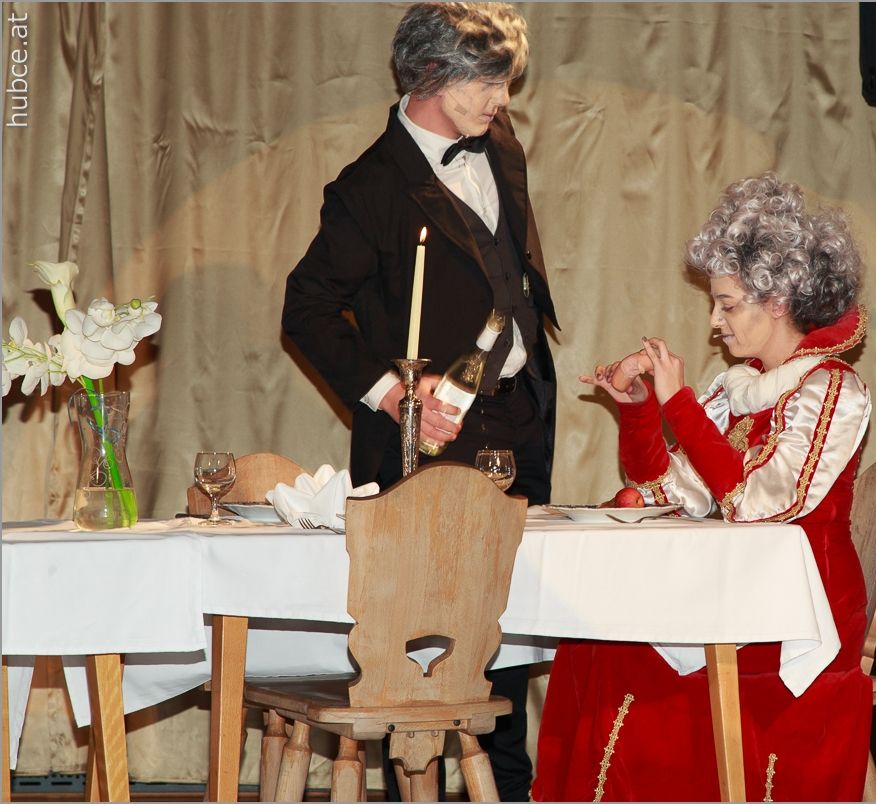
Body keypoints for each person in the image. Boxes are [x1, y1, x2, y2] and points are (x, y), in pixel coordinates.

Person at [281, 4, 557, 800]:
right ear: (434, 75)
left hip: (519, 416)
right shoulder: (369, 188)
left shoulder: (500, 144)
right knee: (430, 648)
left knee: (505, 630)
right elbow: (306, 309)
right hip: (427, 441)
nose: (503, 100)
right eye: (490, 83)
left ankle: (510, 791)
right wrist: (397, 392)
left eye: (506, 82)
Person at [532, 172, 872, 801]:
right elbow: (670, 490)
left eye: (728, 304)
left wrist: (680, 406)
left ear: (778, 300)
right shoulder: (741, 390)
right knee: (593, 635)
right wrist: (639, 409)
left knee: (623, 651)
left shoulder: (831, 390)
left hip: (798, 613)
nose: (715, 321)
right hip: (737, 595)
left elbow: (759, 503)